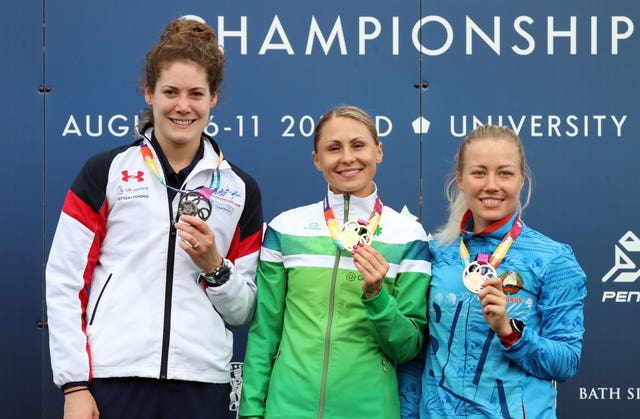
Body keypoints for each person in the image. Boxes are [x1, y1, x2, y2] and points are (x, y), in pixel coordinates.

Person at [46, 15, 263, 419]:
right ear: (149, 93)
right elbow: (64, 280)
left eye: (197, 93)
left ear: (213, 97)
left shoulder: (240, 189)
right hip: (113, 380)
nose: (183, 106)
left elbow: (245, 311)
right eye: (171, 92)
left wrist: (215, 268)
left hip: (203, 384)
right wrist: (74, 384)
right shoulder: (105, 171)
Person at [238, 105, 431, 419]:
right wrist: (249, 412)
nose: (347, 158)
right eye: (333, 148)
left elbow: (408, 347)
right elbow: (264, 335)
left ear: (379, 151)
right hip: (287, 409)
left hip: (370, 410)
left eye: (358, 145)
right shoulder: (286, 228)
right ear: (317, 160)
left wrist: (377, 297)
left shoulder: (408, 236)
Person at [398, 125, 587, 418]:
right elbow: (416, 357)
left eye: (505, 173)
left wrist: (509, 332)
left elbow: (566, 362)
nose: (491, 185)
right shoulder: (435, 252)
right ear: (460, 180)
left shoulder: (554, 260)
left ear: (522, 179)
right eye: (478, 172)